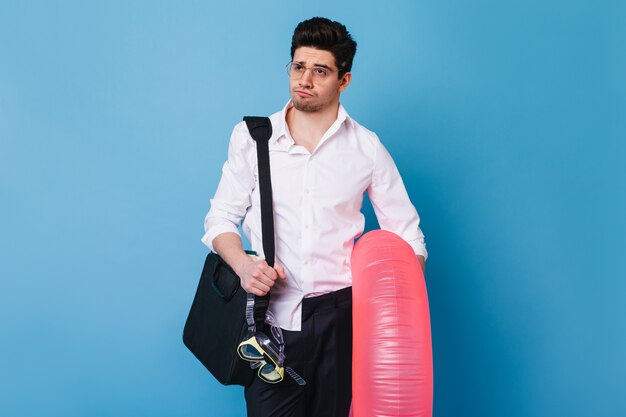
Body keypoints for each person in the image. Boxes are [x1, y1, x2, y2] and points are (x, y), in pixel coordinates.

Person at [202, 17, 427, 417]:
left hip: (343, 322)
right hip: (270, 323)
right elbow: (220, 220)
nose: (304, 79)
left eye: (320, 70)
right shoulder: (253, 137)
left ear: (344, 81)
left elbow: (409, 239)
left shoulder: (366, 148)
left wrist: (392, 311)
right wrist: (241, 264)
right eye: (298, 66)